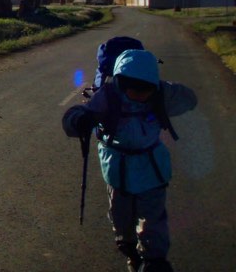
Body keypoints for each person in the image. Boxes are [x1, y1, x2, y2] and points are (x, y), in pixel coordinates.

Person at [62, 49, 197, 272]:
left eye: (145, 90)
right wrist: (80, 120)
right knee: (121, 217)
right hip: (119, 171)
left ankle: (154, 260)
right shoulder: (108, 96)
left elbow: (190, 98)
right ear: (121, 82)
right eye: (133, 89)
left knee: (153, 219)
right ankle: (130, 251)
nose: (139, 95)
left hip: (150, 169)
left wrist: (166, 90)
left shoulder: (160, 93)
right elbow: (77, 115)